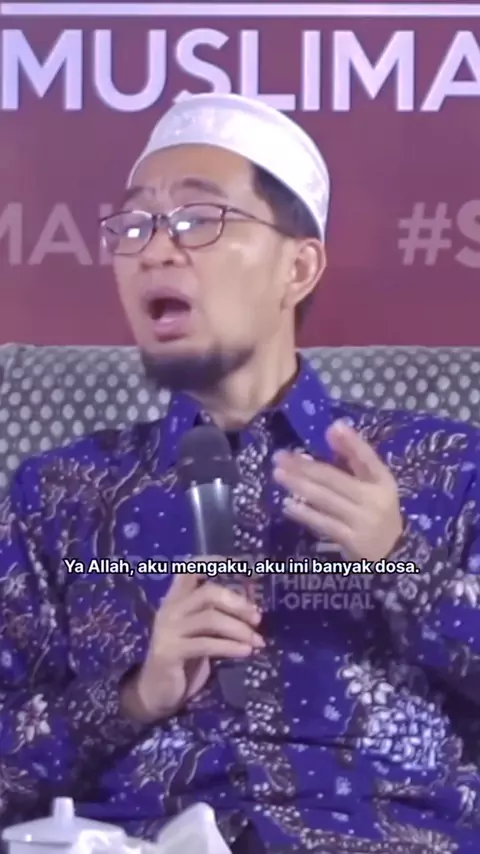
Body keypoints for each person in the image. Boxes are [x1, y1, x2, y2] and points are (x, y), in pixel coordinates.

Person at [0, 93, 479, 854]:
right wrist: (134, 696)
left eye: (198, 219)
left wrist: (403, 563)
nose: (155, 250)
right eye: (134, 225)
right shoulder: (58, 496)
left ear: (299, 266)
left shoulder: (444, 469)